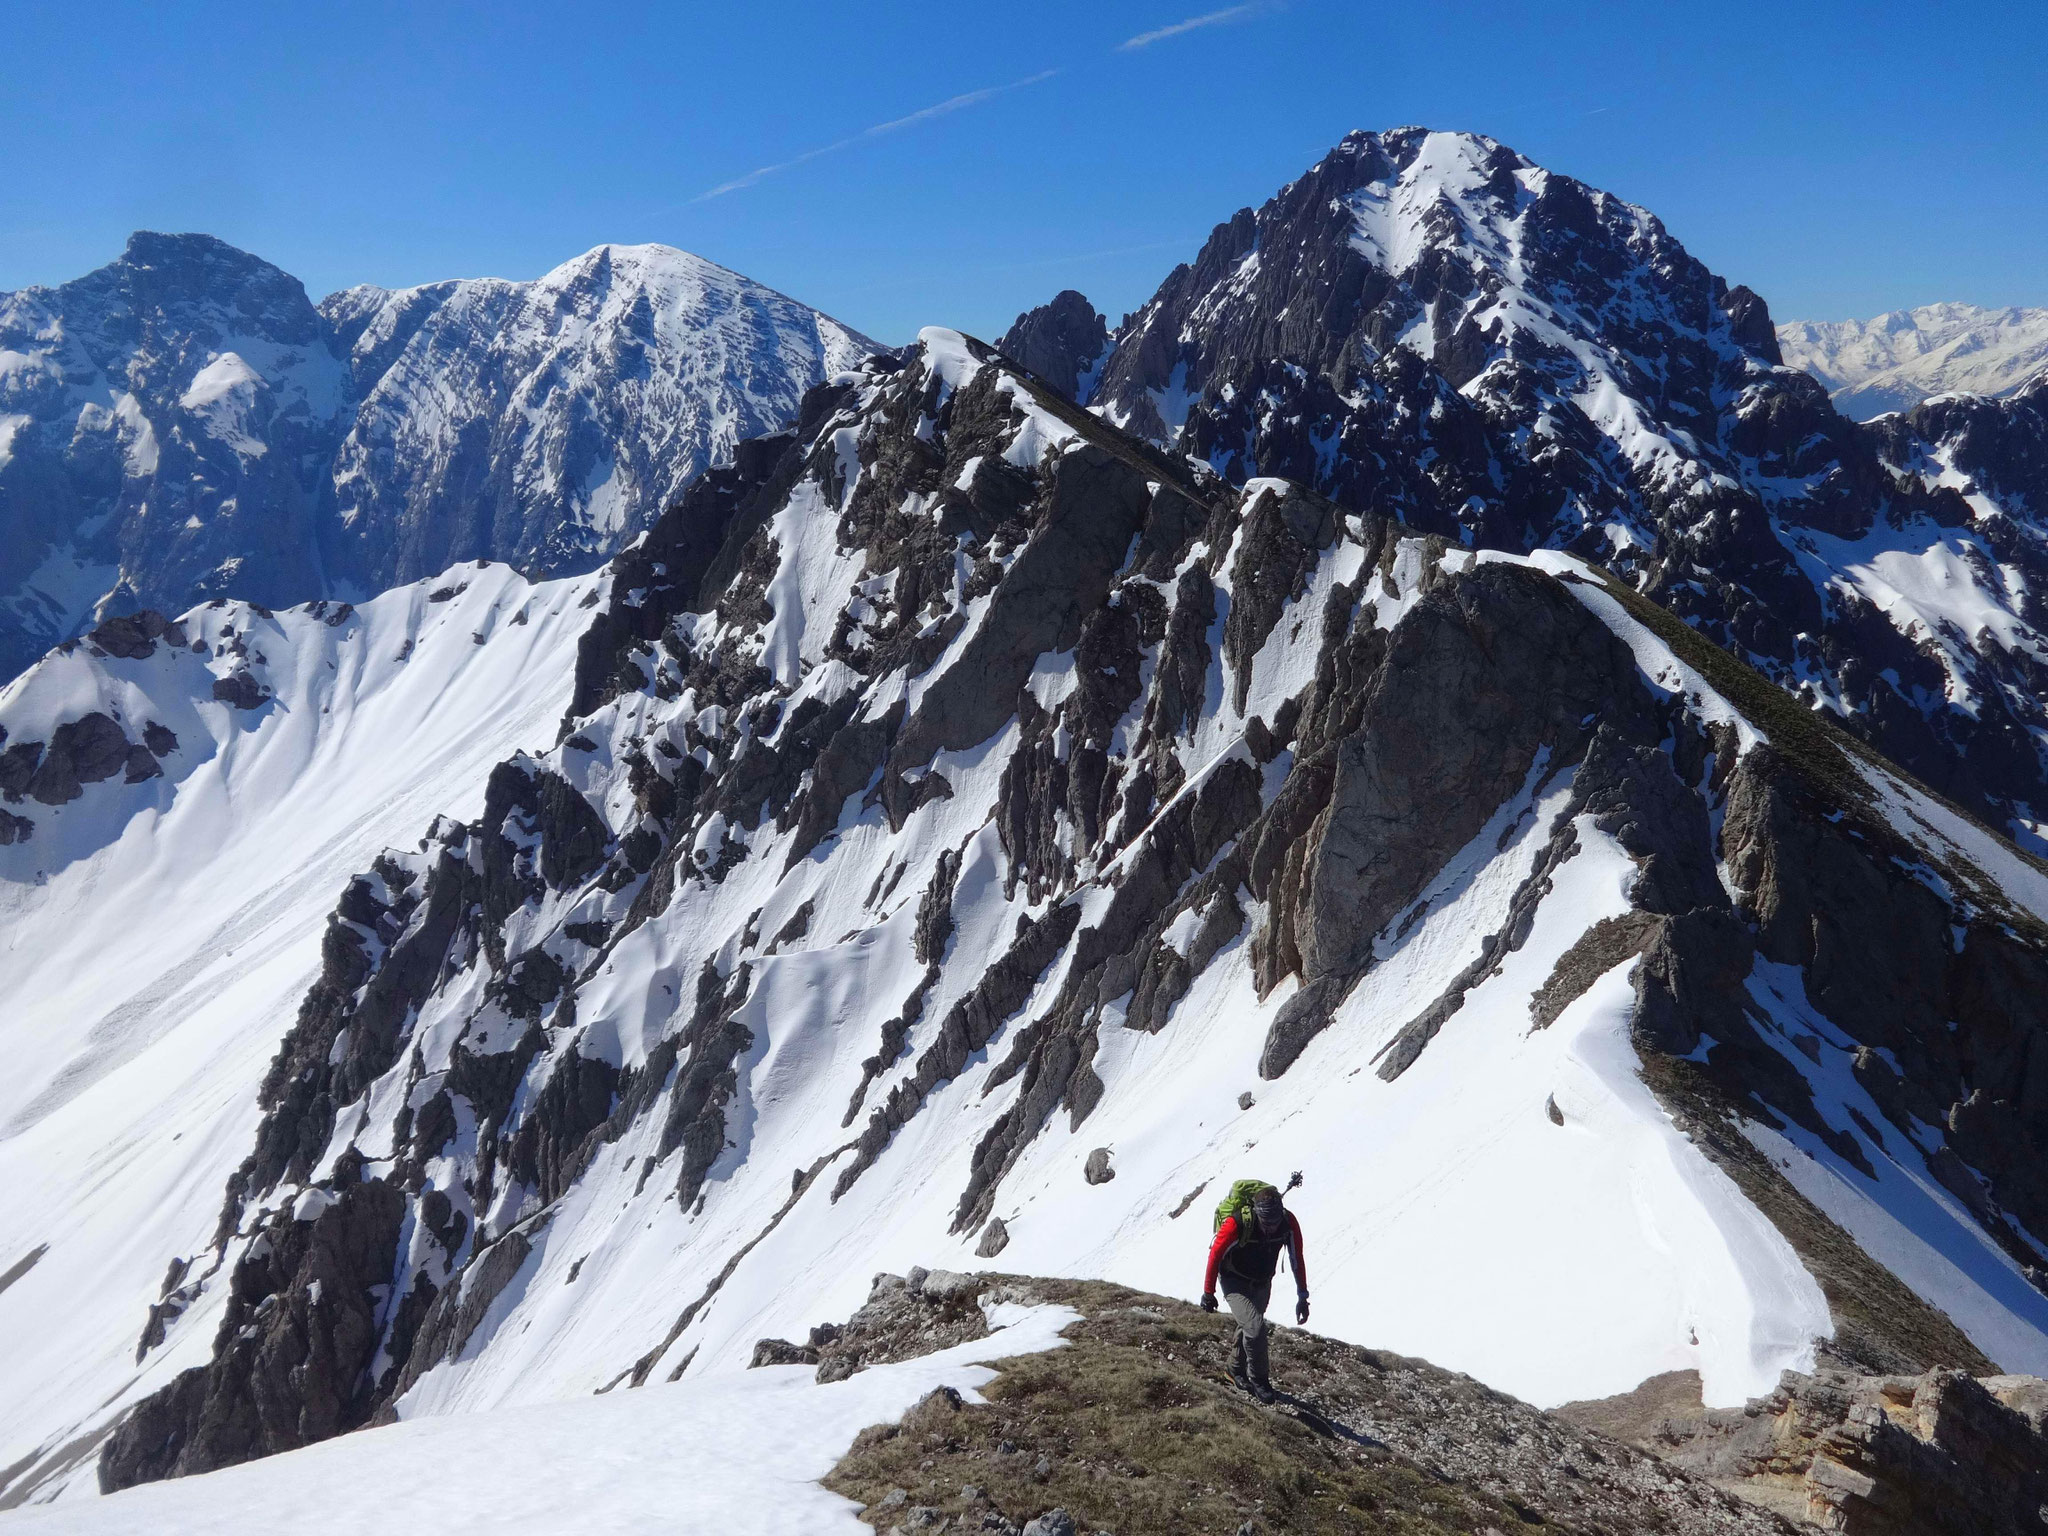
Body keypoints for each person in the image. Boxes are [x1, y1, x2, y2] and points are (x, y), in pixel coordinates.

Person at [1201, 1185, 1308, 1402]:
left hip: (1262, 1282)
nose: (1271, 1228)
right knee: (1255, 1328)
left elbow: (1297, 1259)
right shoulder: (1237, 1223)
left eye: (1275, 1222)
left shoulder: (1288, 1223)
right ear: (1257, 1213)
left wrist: (1303, 1295)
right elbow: (1215, 1255)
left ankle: (1234, 1370)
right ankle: (1259, 1379)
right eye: (1266, 1223)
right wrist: (1208, 1292)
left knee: (1249, 1326)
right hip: (1234, 1281)